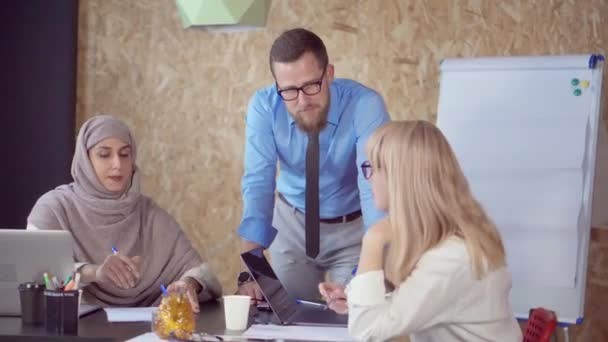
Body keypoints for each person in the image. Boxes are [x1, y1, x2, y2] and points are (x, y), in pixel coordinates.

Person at [320, 121, 522, 341]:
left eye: (373, 168)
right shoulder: (448, 240)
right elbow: (419, 302)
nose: (368, 178)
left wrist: (373, 240)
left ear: (400, 178)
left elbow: (367, 333)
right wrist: (356, 299)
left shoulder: (450, 258)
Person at [237, 28, 390, 301]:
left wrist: (370, 267)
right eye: (289, 91)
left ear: (329, 74)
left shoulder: (365, 105)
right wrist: (251, 268)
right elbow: (258, 182)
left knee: (357, 311)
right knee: (292, 319)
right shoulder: (263, 107)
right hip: (291, 224)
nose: (302, 101)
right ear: (277, 86)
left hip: (353, 227)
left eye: (311, 85)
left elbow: (373, 186)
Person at [27, 115, 222, 311]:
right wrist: (93, 272)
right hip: (73, 329)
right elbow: (34, 272)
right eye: (104, 154)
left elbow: (200, 272)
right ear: (85, 160)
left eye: (124, 154)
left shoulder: (150, 215)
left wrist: (189, 283)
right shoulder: (54, 209)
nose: (117, 164)